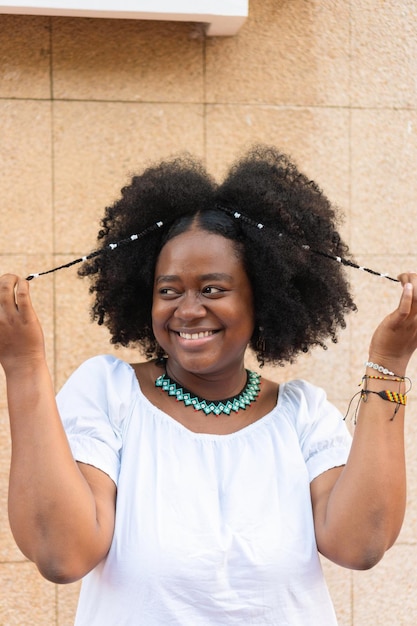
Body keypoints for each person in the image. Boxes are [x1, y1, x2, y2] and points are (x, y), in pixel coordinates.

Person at [0, 145, 415, 626]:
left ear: (262, 298)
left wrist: (389, 363)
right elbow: (61, 554)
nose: (188, 309)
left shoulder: (302, 414)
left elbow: (360, 544)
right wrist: (24, 365)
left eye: (213, 289)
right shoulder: (109, 393)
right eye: (168, 290)